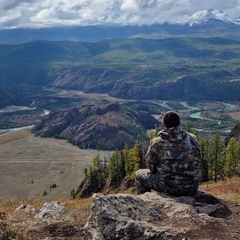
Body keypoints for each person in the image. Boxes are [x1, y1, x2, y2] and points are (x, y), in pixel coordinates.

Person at [135, 111, 201, 196]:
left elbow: (150, 165)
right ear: (179, 123)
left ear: (164, 124)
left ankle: (144, 201)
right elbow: (198, 161)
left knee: (138, 174)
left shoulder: (157, 143)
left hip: (168, 187)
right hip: (192, 187)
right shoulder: (193, 139)